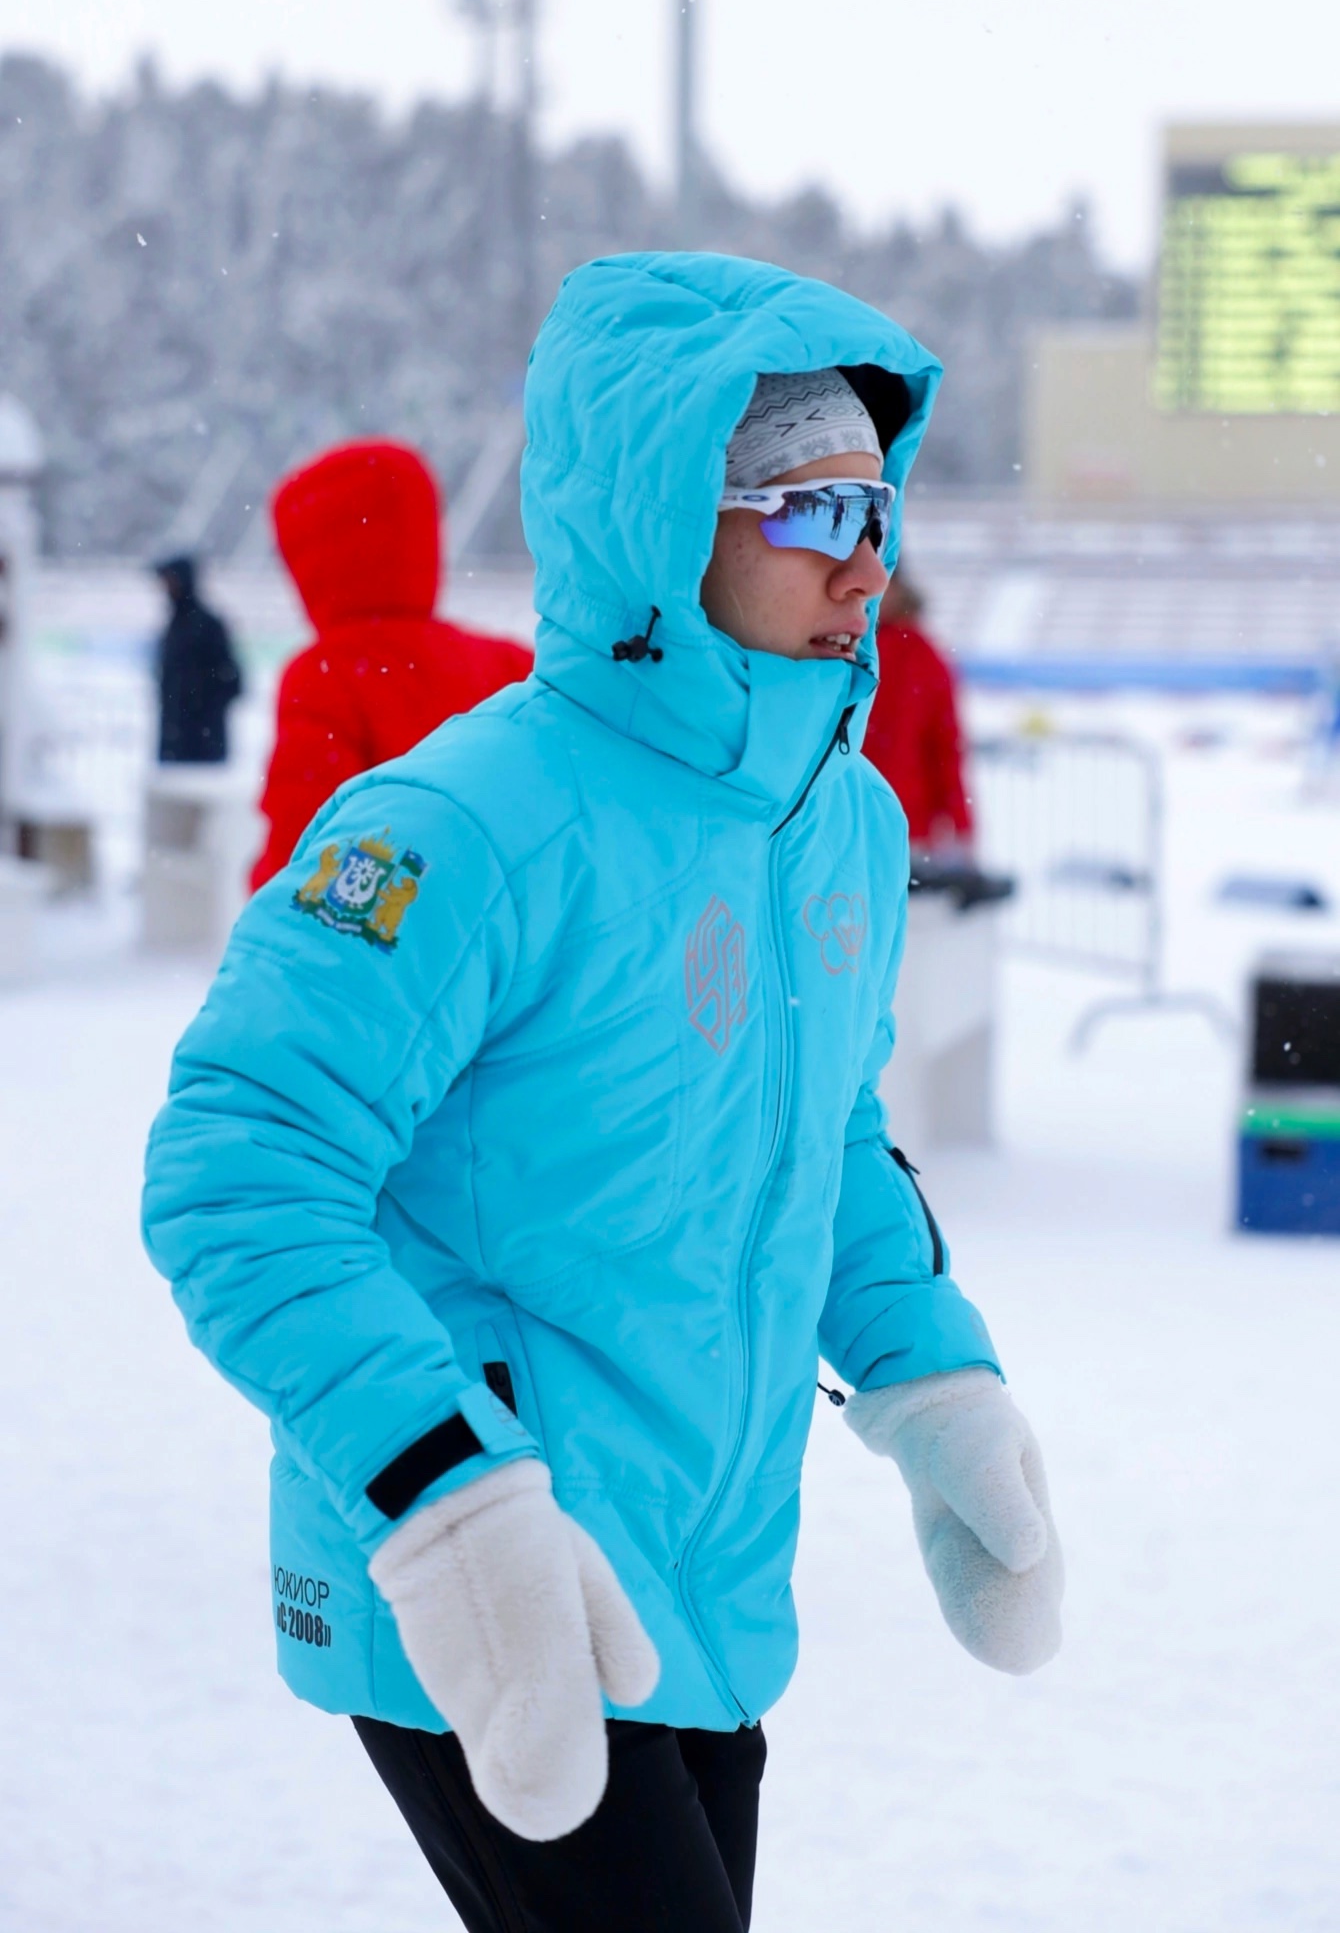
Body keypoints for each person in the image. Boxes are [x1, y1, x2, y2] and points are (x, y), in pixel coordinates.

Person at [143, 253, 1063, 1933]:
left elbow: (824, 1139)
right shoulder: (468, 819)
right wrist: (447, 1495)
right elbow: (238, 1164)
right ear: (660, 515)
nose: (864, 561)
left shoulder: (833, 821)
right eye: (805, 509)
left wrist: (935, 1376)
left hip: (703, 1576)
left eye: (880, 511)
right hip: (485, 1585)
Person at [249, 439, 532, 890]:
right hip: (511, 918)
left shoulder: (324, 676)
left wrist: (266, 924)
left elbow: (303, 835)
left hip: (388, 931)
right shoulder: (507, 661)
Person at [862, 566, 974, 862]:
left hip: (906, 825)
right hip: (845, 818)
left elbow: (946, 748)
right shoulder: (844, 646)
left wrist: (961, 825)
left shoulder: (923, 657)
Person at [152, 553, 242, 764]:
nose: (165, 587)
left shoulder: (208, 624)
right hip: (174, 745)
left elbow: (233, 681)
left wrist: (201, 712)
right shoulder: (173, 624)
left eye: (170, 580)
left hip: (203, 748)